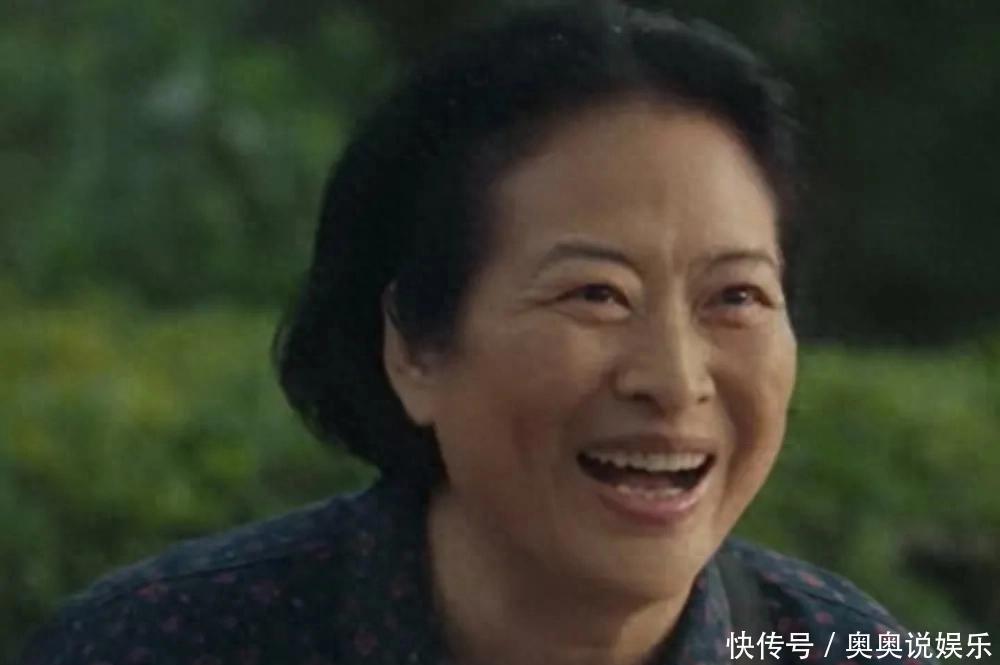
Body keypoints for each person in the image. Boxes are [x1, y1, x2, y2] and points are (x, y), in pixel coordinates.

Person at [20, 3, 938, 664]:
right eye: (596, 294)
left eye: (735, 296)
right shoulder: (160, 643)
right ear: (415, 347)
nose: (673, 379)